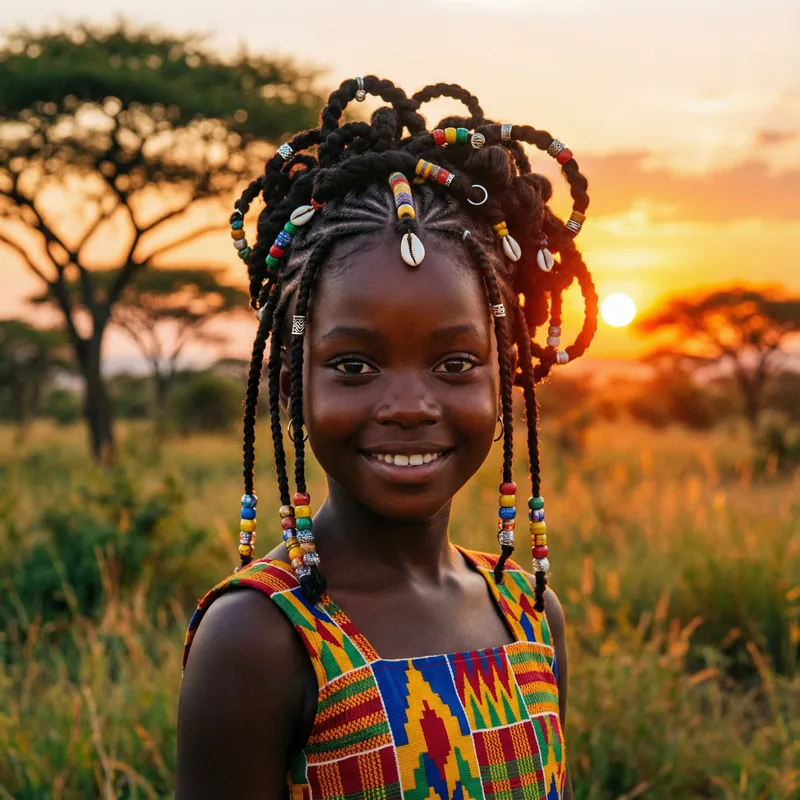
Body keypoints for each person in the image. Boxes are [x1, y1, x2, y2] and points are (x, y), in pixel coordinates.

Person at [177, 75, 596, 800]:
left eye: (456, 362)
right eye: (354, 365)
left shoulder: (532, 616)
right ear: (289, 383)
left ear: (508, 374)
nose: (409, 404)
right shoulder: (259, 639)